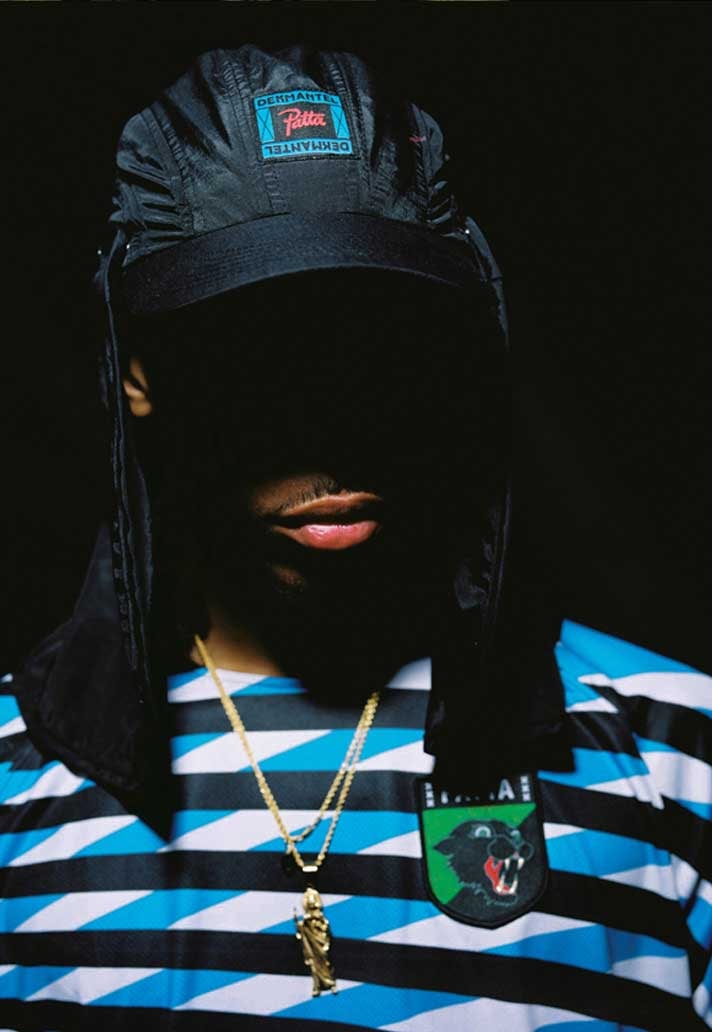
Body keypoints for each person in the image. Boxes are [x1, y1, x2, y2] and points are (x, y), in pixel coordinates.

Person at [0, 43, 709, 1032]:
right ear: (137, 374)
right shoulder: (13, 788)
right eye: (255, 351)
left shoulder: (676, 751)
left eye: (380, 344)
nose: (329, 424)